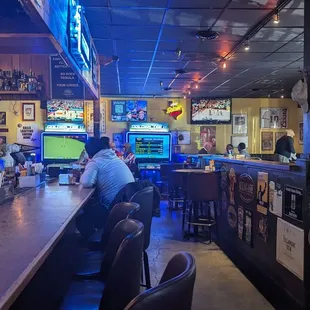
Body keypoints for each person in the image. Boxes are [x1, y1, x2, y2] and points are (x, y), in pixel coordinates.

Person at [77, 137, 135, 238]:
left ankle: (95, 244)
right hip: (127, 207)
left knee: (81, 218)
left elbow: (86, 182)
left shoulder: (95, 161)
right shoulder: (114, 158)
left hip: (113, 209)